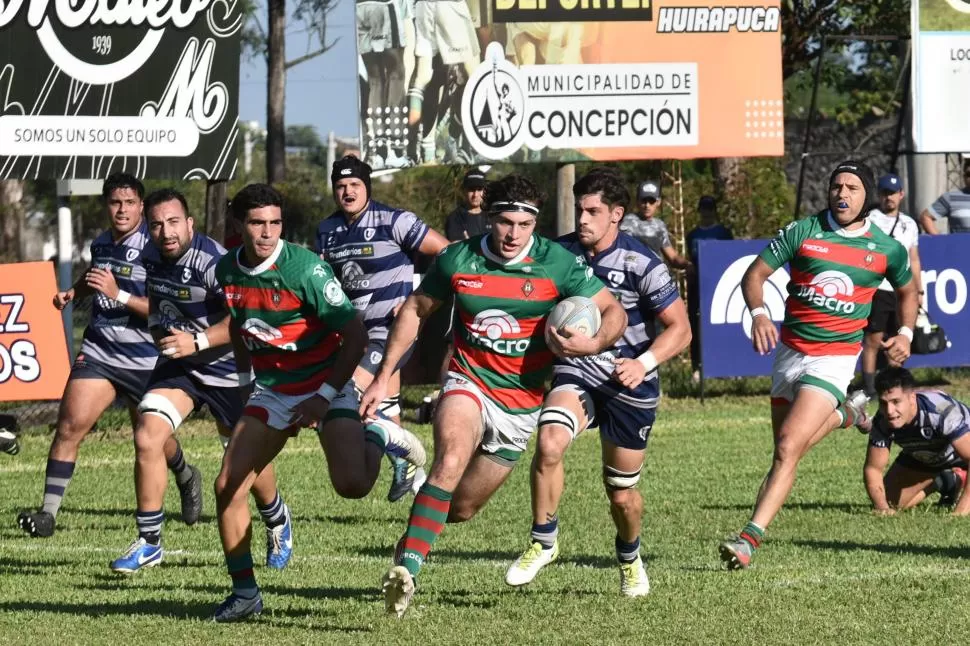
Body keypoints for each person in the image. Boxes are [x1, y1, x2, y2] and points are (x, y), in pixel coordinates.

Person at [360, 173, 628, 617]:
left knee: (461, 508)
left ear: (535, 224)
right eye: (505, 223)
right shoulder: (458, 259)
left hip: (521, 406)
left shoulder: (556, 263)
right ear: (488, 217)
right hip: (469, 382)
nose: (513, 234)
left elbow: (612, 310)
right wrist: (381, 375)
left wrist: (593, 344)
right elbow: (414, 310)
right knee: (448, 462)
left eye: (523, 225)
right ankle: (408, 573)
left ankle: (409, 544)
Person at [211, 183, 428, 622]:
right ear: (239, 225)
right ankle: (245, 594)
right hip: (273, 389)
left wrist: (325, 396)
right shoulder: (226, 271)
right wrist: (241, 382)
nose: (267, 232)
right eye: (257, 223)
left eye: (275, 223)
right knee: (227, 486)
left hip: (327, 382)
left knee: (352, 486)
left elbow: (355, 335)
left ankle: (381, 433)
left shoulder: (305, 270)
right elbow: (239, 325)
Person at [719, 160, 919, 570]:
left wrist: (906, 333)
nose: (842, 194)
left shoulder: (884, 248)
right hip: (789, 353)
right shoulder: (803, 232)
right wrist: (758, 313)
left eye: (852, 188)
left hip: (834, 359)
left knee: (788, 445)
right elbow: (755, 275)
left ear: (867, 199)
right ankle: (848, 413)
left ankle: (748, 540)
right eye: (836, 186)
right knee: (787, 452)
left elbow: (908, 291)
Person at [503, 167, 691, 596]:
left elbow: (680, 329)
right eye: (580, 210)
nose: (583, 220)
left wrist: (643, 363)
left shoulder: (642, 261)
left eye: (593, 211)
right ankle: (543, 540)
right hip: (578, 370)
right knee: (549, 441)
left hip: (630, 383)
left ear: (616, 215)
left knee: (621, 495)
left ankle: (629, 557)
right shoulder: (557, 254)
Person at [109, 189, 293, 577]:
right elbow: (160, 302)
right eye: (157, 224)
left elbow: (242, 320)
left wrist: (197, 340)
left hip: (229, 370)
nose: (166, 232)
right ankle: (149, 542)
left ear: (190, 223)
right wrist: (162, 330)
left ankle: (277, 519)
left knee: (247, 466)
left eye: (174, 222)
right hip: (183, 368)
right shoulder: (151, 257)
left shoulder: (215, 263)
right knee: (147, 435)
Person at [17, 174, 201, 539]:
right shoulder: (102, 243)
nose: (122, 209)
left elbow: (168, 306)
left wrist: (118, 296)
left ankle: (184, 472)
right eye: (115, 202)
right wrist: (73, 291)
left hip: (146, 357)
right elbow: (97, 275)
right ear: (107, 205)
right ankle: (48, 515)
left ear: (142, 207)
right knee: (69, 427)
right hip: (100, 350)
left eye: (130, 203)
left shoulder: (155, 248)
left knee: (151, 437)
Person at [316, 156, 444, 502]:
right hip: (353, 334)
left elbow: (448, 253)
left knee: (349, 392)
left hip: (391, 331)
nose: (348, 191)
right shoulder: (326, 230)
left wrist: (420, 298)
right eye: (341, 186)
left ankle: (385, 446)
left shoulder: (394, 220)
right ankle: (407, 466)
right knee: (383, 400)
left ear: (367, 187)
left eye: (355, 185)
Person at [861, 367, 970, 514]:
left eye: (896, 401)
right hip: (926, 455)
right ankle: (947, 480)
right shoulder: (882, 420)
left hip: (961, 454)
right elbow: (873, 468)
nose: (889, 411)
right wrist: (883, 509)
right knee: (890, 501)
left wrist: (960, 512)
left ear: (912, 398)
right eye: (883, 403)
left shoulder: (940, 412)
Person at [861, 174, 923, 397]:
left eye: (893, 193)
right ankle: (868, 389)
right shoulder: (870, 218)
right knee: (873, 340)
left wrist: (919, 289)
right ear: (879, 194)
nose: (889, 198)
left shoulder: (910, 224)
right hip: (877, 288)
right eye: (885, 193)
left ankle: (893, 386)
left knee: (898, 339)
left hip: (902, 290)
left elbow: (913, 259)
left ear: (901, 195)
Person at [684, 195, 733, 379]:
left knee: (722, 325)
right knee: (696, 327)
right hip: (699, 288)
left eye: (709, 208)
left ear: (714, 210)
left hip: (720, 287)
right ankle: (697, 367)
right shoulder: (692, 235)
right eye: (703, 208)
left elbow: (730, 257)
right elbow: (691, 259)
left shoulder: (724, 233)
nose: (706, 212)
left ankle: (725, 366)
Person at [619, 180, 691, 271]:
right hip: (633, 274)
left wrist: (688, 264)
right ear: (637, 201)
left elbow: (672, 257)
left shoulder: (660, 226)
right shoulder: (626, 222)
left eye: (651, 201)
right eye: (643, 201)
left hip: (656, 275)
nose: (647, 205)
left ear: (658, 202)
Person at [919, 159, 970, 234]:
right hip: (961, 245)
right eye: (969, 174)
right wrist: (940, 241)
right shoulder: (951, 198)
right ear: (964, 177)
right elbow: (925, 217)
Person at [444, 168, 489, 241]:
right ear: (464, 190)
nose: (475, 194)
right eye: (471, 189)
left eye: (479, 189)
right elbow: (457, 247)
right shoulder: (455, 218)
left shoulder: (493, 216)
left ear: (485, 191)